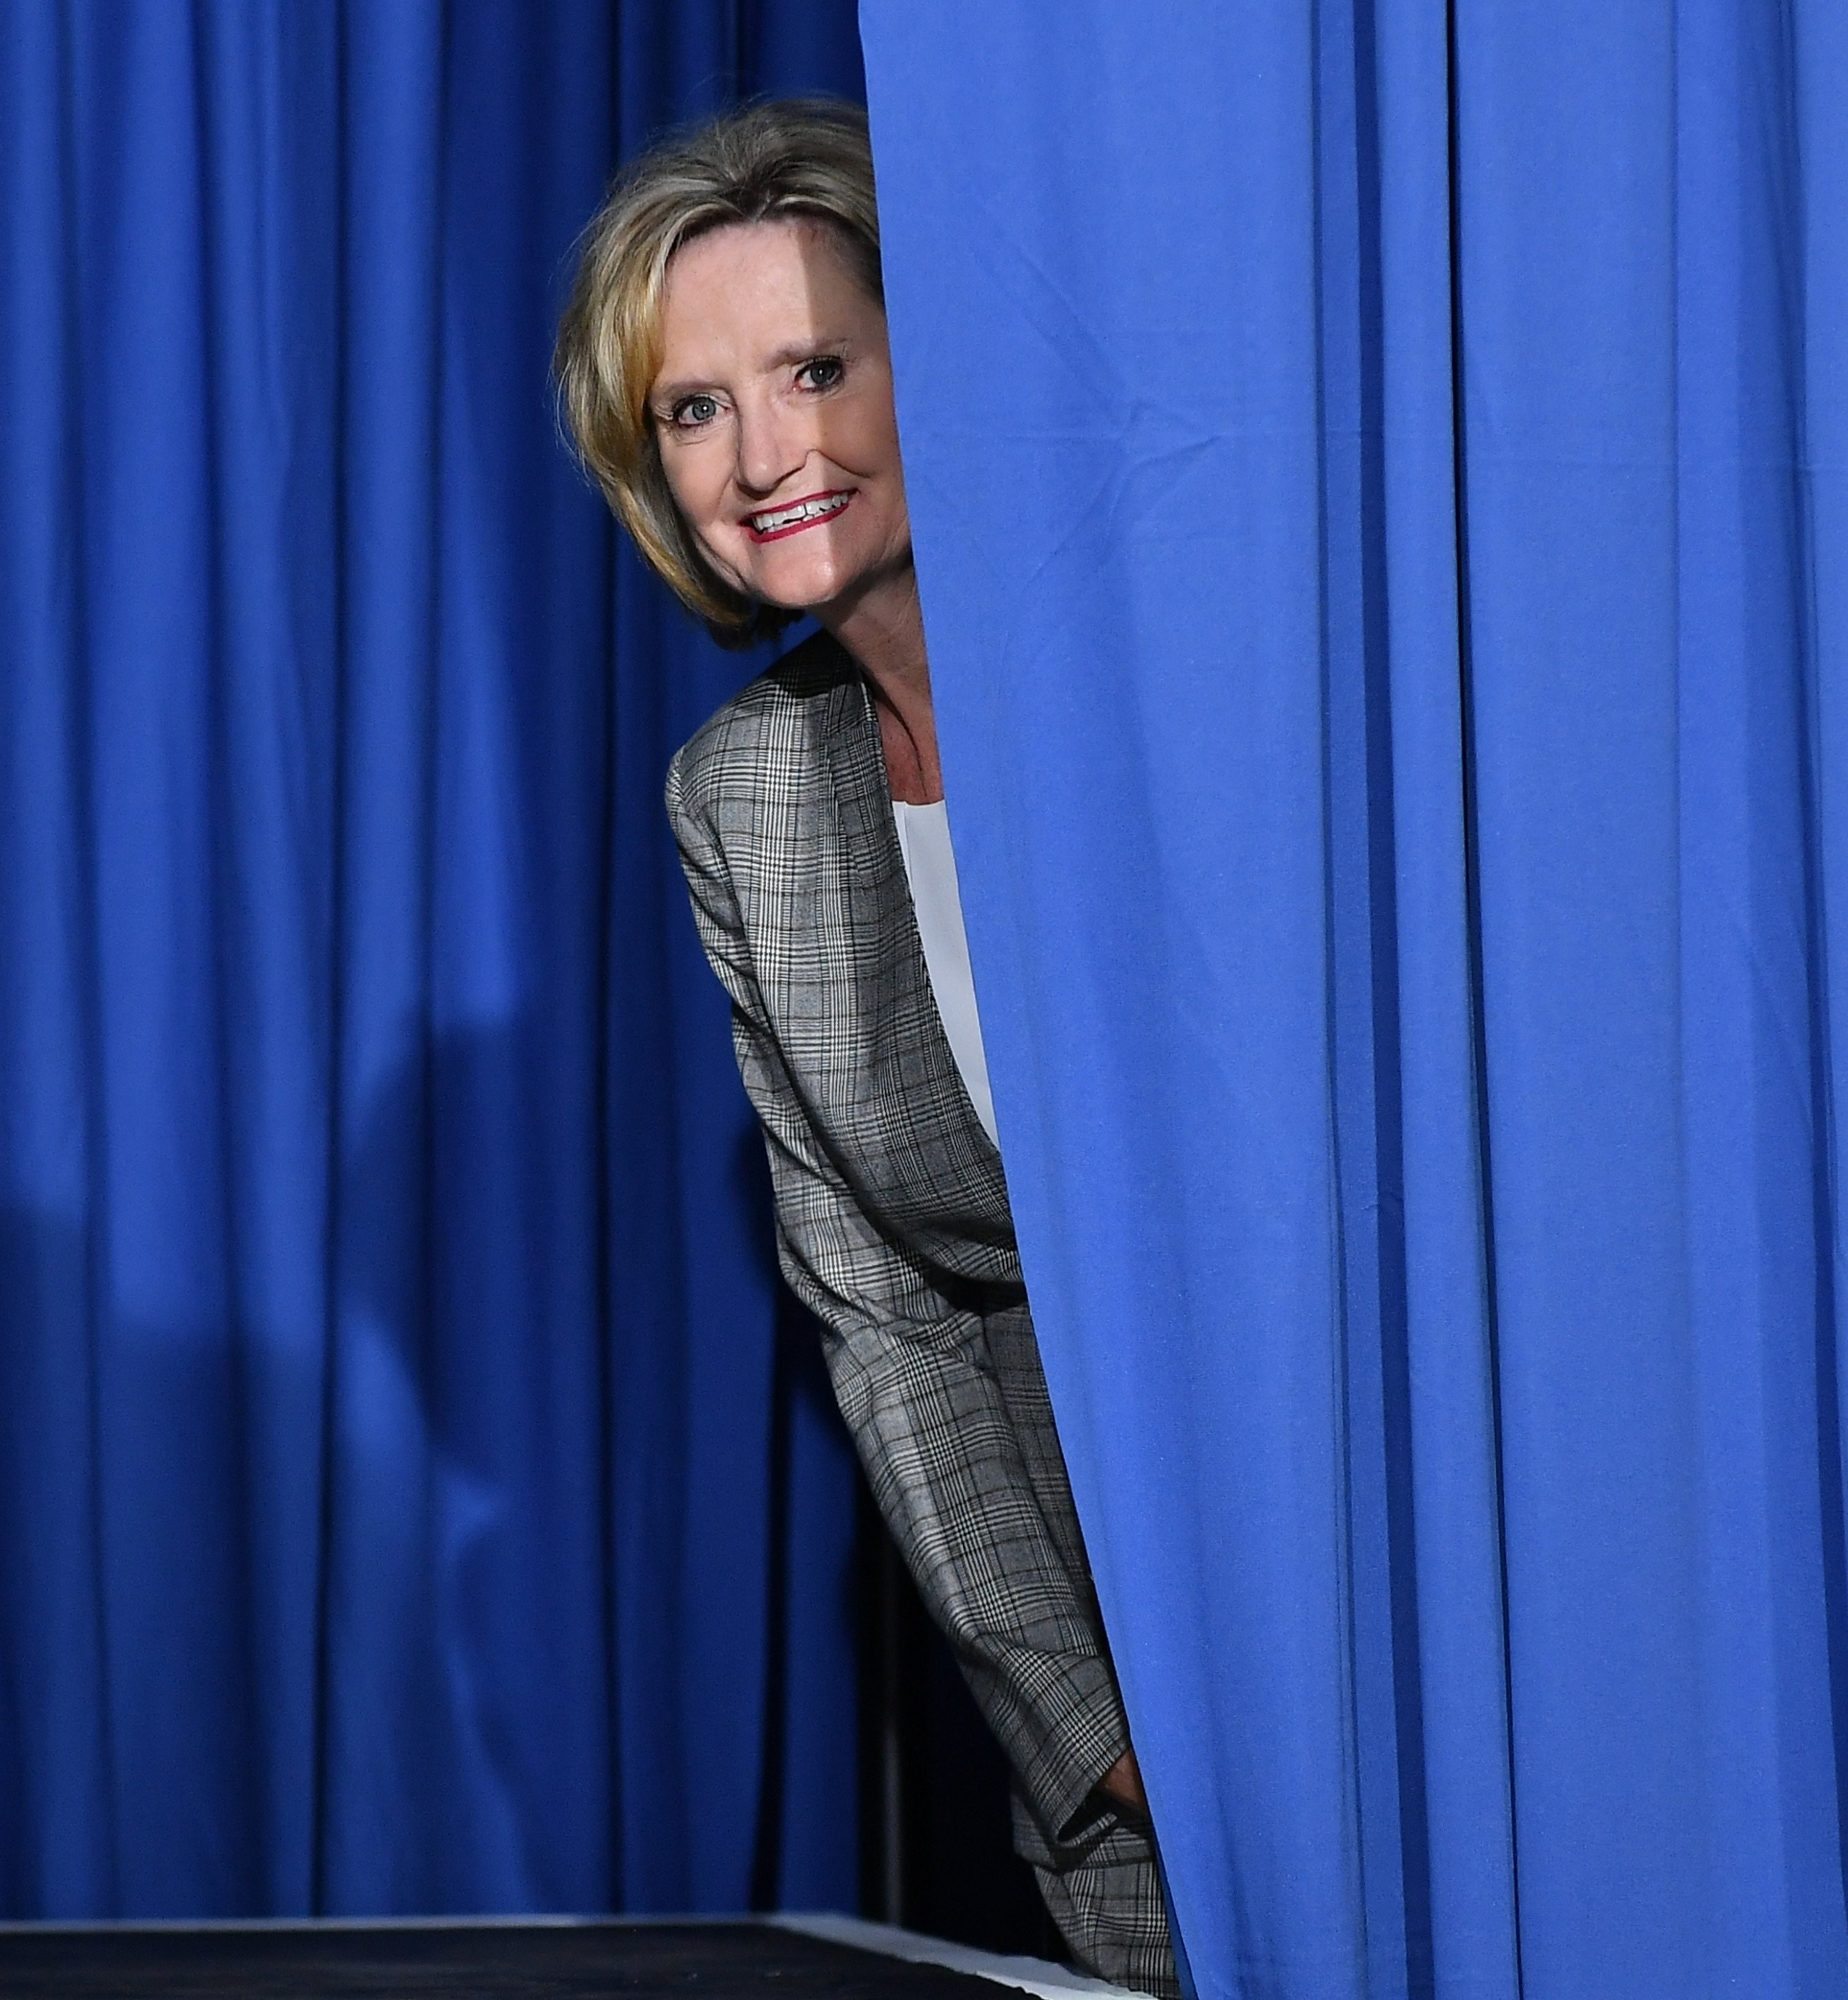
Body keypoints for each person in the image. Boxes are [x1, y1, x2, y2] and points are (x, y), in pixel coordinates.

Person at [552, 99, 1175, 1995]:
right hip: (1120, 1759)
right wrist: (1093, 1736)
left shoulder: (1176, 683)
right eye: (694, 406)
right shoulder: (737, 797)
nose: (765, 455)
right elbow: (889, 1321)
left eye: (816, 367)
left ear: (942, 362)